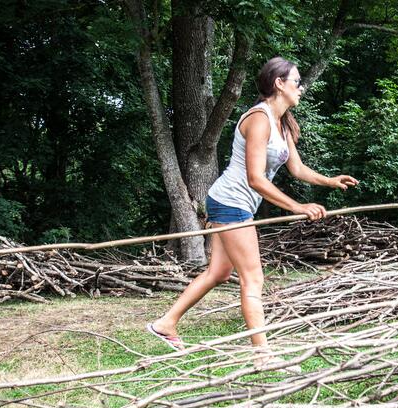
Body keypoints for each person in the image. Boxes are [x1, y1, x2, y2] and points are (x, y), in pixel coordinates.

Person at [147, 57, 358, 368]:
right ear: (279, 84)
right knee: (253, 279)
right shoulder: (258, 119)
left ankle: (165, 324)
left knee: (219, 273)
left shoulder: (281, 122)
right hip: (231, 203)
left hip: (232, 203)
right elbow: (255, 178)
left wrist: (329, 180)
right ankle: (262, 356)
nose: (301, 87)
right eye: (296, 81)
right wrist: (298, 207)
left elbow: (296, 168)